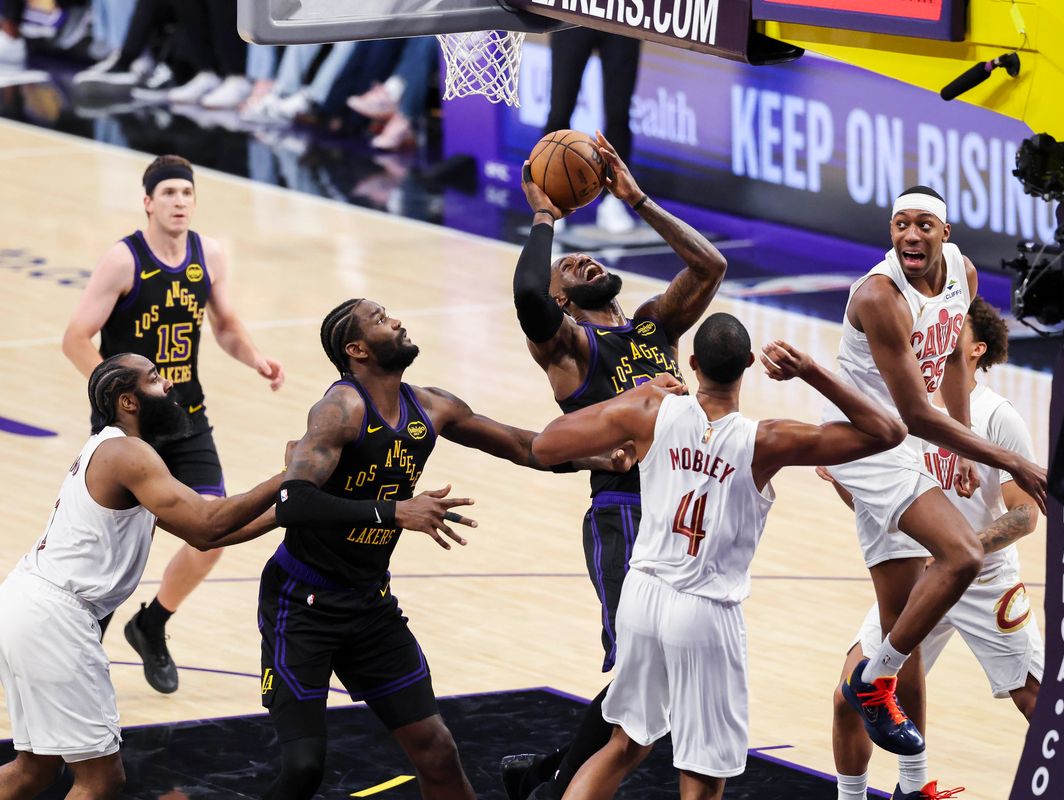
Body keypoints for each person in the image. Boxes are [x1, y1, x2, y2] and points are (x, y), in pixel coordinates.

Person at [527, 314, 907, 800]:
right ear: (748, 364)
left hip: (642, 596)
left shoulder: (648, 409)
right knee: (703, 775)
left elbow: (544, 444)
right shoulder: (766, 440)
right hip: (705, 610)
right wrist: (810, 370)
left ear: (691, 364)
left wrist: (631, 398)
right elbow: (887, 431)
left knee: (623, 744)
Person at [258, 298, 625, 800]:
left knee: (437, 750)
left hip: (369, 606)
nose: (398, 320)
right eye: (381, 319)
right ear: (357, 348)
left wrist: (597, 458)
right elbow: (294, 500)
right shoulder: (339, 410)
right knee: (303, 768)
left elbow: (523, 445)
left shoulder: (431, 405)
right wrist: (395, 512)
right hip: (302, 605)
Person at [504, 131, 727, 800]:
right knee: (641, 663)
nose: (576, 261)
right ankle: (559, 785)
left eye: (579, 257)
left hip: (684, 512)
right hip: (625, 511)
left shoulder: (653, 327)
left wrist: (638, 200)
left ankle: (546, 775)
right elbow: (529, 300)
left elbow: (709, 265)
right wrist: (545, 216)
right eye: (565, 269)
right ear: (564, 305)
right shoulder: (574, 347)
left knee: (656, 669)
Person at [824, 185, 1045, 795]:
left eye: (924, 225)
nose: (910, 236)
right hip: (878, 439)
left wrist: (967, 436)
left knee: (927, 615)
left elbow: (947, 360)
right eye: (900, 225)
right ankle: (876, 686)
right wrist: (1001, 460)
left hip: (944, 511)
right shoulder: (878, 295)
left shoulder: (963, 279)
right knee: (954, 560)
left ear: (945, 233)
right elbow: (915, 417)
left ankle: (912, 780)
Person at [0, 353, 284, 800]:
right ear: (128, 402)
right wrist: (292, 476)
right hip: (54, 617)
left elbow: (205, 534)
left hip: (29, 607)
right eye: (155, 379)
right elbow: (209, 522)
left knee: (33, 771)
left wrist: (292, 508)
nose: (169, 384)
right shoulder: (128, 453)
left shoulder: (117, 453)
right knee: (101, 780)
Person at [61, 154, 285, 695]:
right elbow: (75, 338)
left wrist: (253, 357)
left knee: (215, 529)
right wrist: (114, 391)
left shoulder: (209, 254)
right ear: (148, 202)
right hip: (130, 428)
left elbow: (225, 324)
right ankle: (87, 632)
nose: (179, 201)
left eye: (186, 192)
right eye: (168, 194)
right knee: (113, 541)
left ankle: (152, 623)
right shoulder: (123, 260)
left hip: (187, 415)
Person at [544, 30, 641, 233]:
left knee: (619, 114)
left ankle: (613, 202)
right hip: (573, 16)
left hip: (622, 14)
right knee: (560, 111)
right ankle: (553, 200)